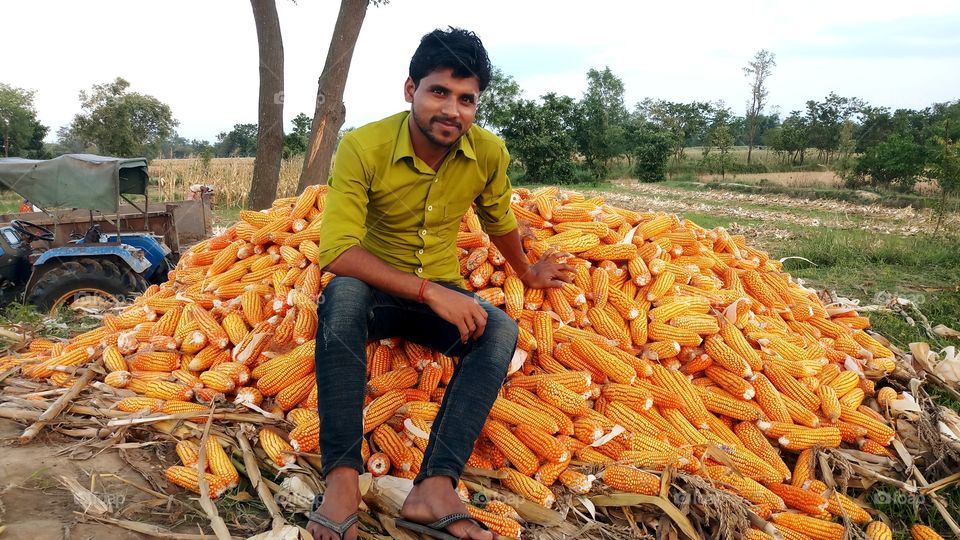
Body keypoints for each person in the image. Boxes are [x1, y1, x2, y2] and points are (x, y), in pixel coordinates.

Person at [309, 27, 573, 540]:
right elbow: (338, 252)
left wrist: (527, 272)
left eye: (466, 99)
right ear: (411, 89)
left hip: (439, 293)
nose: (452, 110)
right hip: (375, 289)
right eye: (439, 92)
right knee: (341, 299)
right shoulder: (363, 146)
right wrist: (432, 291)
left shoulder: (488, 153)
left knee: (500, 331)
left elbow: (498, 220)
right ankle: (341, 477)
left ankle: (434, 486)